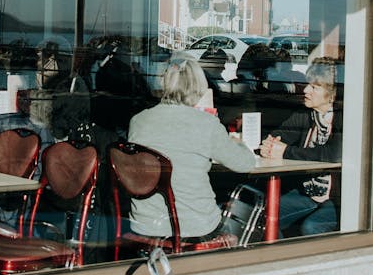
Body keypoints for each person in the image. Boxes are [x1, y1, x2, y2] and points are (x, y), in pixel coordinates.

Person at [127, 57, 256, 243]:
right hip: (193, 226)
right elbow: (245, 163)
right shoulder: (206, 123)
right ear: (199, 87)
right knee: (245, 218)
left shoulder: (138, 120)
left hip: (145, 223)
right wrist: (238, 142)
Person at [259, 57, 341, 236]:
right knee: (265, 217)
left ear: (332, 95)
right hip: (308, 193)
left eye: (314, 87)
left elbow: (333, 155)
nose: (305, 90)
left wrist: (286, 151)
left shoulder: (343, 117)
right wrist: (269, 145)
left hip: (337, 199)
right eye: (307, 84)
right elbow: (277, 135)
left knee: (311, 227)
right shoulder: (306, 114)